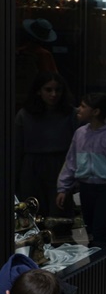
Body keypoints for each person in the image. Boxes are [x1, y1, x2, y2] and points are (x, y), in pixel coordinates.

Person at [56, 93, 106, 251]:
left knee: (100, 235)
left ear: (95, 112)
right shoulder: (80, 133)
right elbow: (71, 162)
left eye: (83, 106)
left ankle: (100, 271)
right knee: (90, 234)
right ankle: (93, 269)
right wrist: (63, 187)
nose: (79, 109)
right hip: (86, 188)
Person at [15, 72, 78, 230]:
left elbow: (78, 146)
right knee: (33, 214)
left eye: (58, 90)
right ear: (39, 91)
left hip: (60, 166)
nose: (53, 94)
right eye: (48, 90)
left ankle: (60, 251)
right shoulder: (25, 115)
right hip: (32, 167)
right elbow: (17, 149)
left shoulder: (70, 113)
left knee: (60, 215)